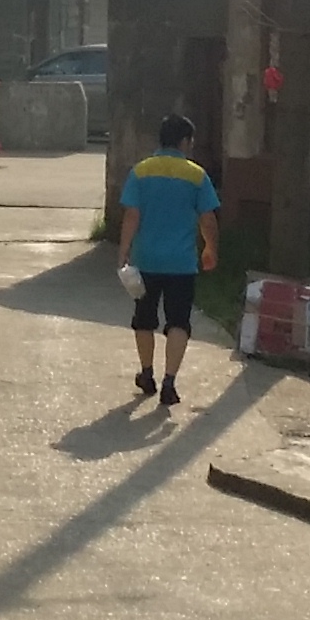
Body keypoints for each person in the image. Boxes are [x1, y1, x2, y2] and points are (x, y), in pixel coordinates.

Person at [118, 115, 223, 407]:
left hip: (146, 260)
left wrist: (124, 250)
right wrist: (210, 248)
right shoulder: (196, 175)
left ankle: (146, 373)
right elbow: (208, 219)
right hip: (181, 263)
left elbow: (132, 215)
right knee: (178, 321)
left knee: (144, 318)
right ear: (185, 141)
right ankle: (169, 382)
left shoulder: (141, 171)